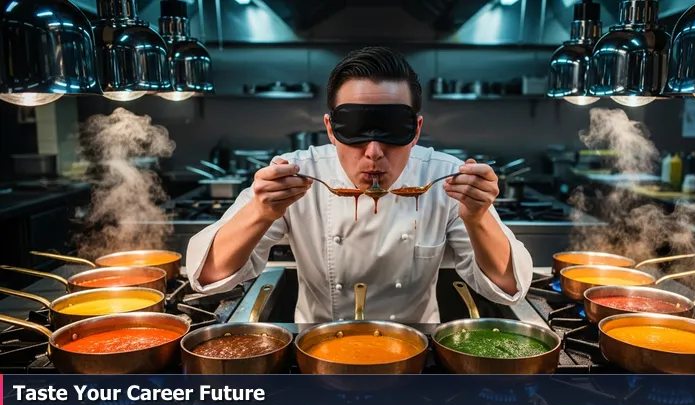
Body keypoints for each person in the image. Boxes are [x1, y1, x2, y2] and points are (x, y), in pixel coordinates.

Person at [186, 46, 533, 323]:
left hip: (414, 353)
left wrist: (478, 217)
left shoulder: (445, 178)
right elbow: (212, 275)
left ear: (415, 130)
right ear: (330, 128)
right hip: (319, 351)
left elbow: (508, 287)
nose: (373, 153)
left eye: (392, 132)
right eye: (355, 131)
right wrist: (260, 213)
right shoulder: (297, 174)